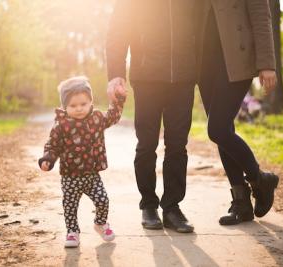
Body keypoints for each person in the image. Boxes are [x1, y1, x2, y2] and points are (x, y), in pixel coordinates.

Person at [106, 0, 198, 233]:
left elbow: (202, 27)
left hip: (184, 77)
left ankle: (172, 207)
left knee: (178, 144)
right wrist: (116, 74)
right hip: (147, 76)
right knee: (147, 144)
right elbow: (118, 31)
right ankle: (148, 205)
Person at [196, 0, 279, 225]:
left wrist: (267, 63)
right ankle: (241, 203)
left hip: (237, 59)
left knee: (218, 129)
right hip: (203, 63)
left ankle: (260, 178)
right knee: (223, 129)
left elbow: (261, 15)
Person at [38, 76, 126, 247]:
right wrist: (48, 159)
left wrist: (119, 99)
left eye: (83, 104)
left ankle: (100, 224)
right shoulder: (61, 125)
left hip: (92, 175)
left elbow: (113, 116)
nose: (79, 109)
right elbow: (52, 146)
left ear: (90, 102)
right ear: (65, 106)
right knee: (70, 206)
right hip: (70, 177)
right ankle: (72, 232)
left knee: (102, 200)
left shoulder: (97, 118)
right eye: (73, 106)